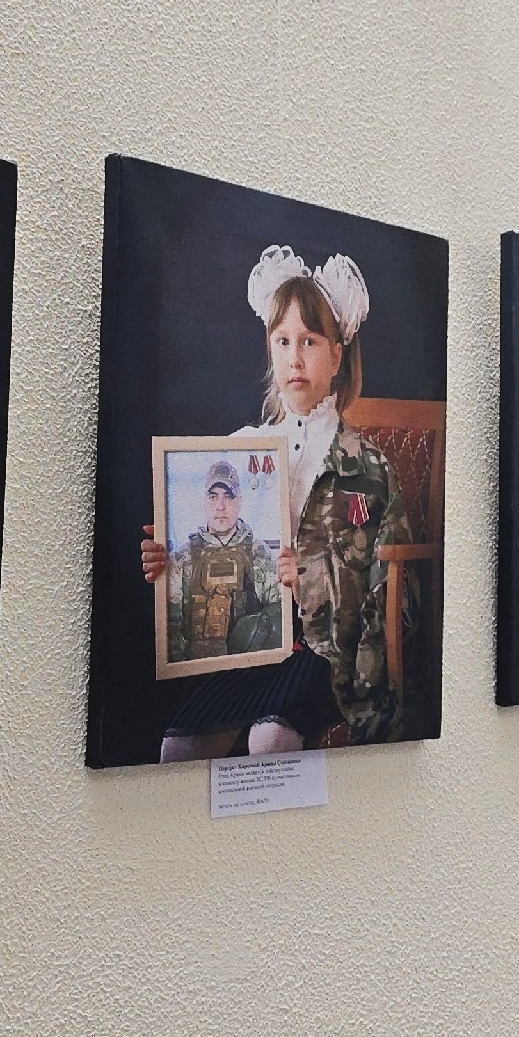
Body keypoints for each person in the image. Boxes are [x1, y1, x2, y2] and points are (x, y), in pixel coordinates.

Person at [143, 245, 416, 757]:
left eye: (310, 341)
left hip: (324, 655)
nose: (295, 357)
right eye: (283, 340)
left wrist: (308, 579)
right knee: (175, 750)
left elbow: (399, 600)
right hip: (250, 646)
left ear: (337, 355)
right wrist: (169, 564)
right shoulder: (240, 450)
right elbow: (215, 564)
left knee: (269, 740)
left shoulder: (368, 467)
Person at [165, 461, 283, 663]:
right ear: (205, 502)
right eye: (213, 497)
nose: (220, 506)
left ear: (240, 501)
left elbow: (278, 617)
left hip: (247, 670)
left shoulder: (259, 553)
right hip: (195, 671)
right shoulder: (183, 558)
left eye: (228, 496)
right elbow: (170, 626)